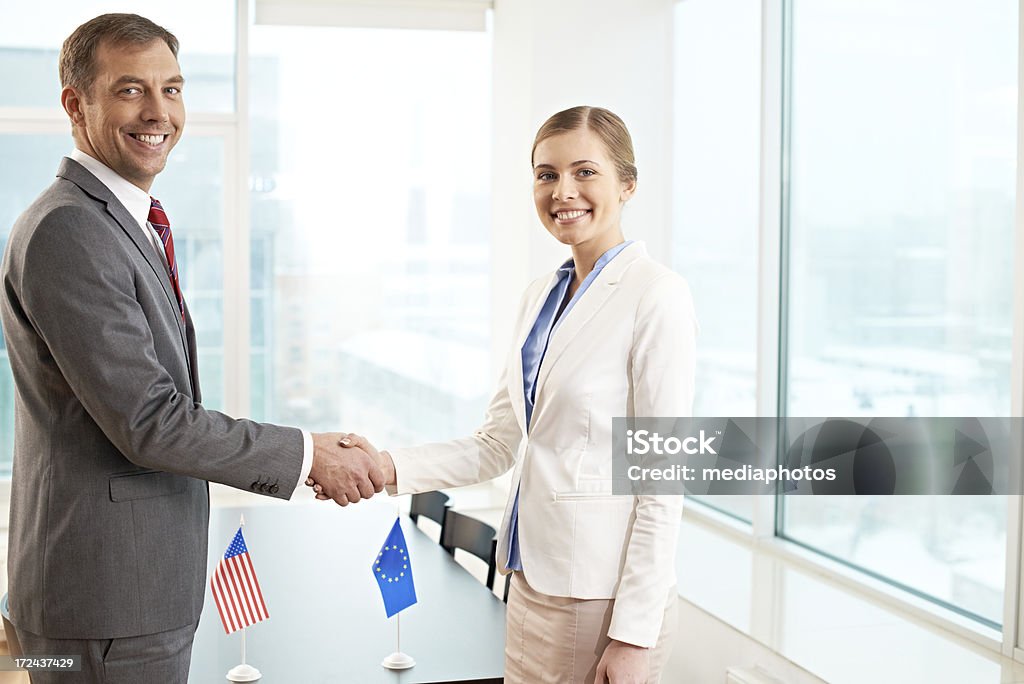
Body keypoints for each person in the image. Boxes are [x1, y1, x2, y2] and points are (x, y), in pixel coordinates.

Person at [0, 14, 383, 683]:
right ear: (75, 104)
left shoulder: (114, 221)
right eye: (129, 90)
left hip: (113, 594)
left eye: (172, 89)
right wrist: (307, 454)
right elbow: (149, 421)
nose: (158, 112)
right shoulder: (71, 230)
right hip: (106, 607)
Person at [340, 106, 697, 683]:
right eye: (546, 174)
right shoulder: (540, 296)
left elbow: (662, 480)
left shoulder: (657, 295)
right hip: (530, 582)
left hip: (602, 600)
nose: (563, 191)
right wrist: (383, 467)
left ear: (628, 184)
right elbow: (496, 444)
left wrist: (635, 635)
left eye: (585, 172)